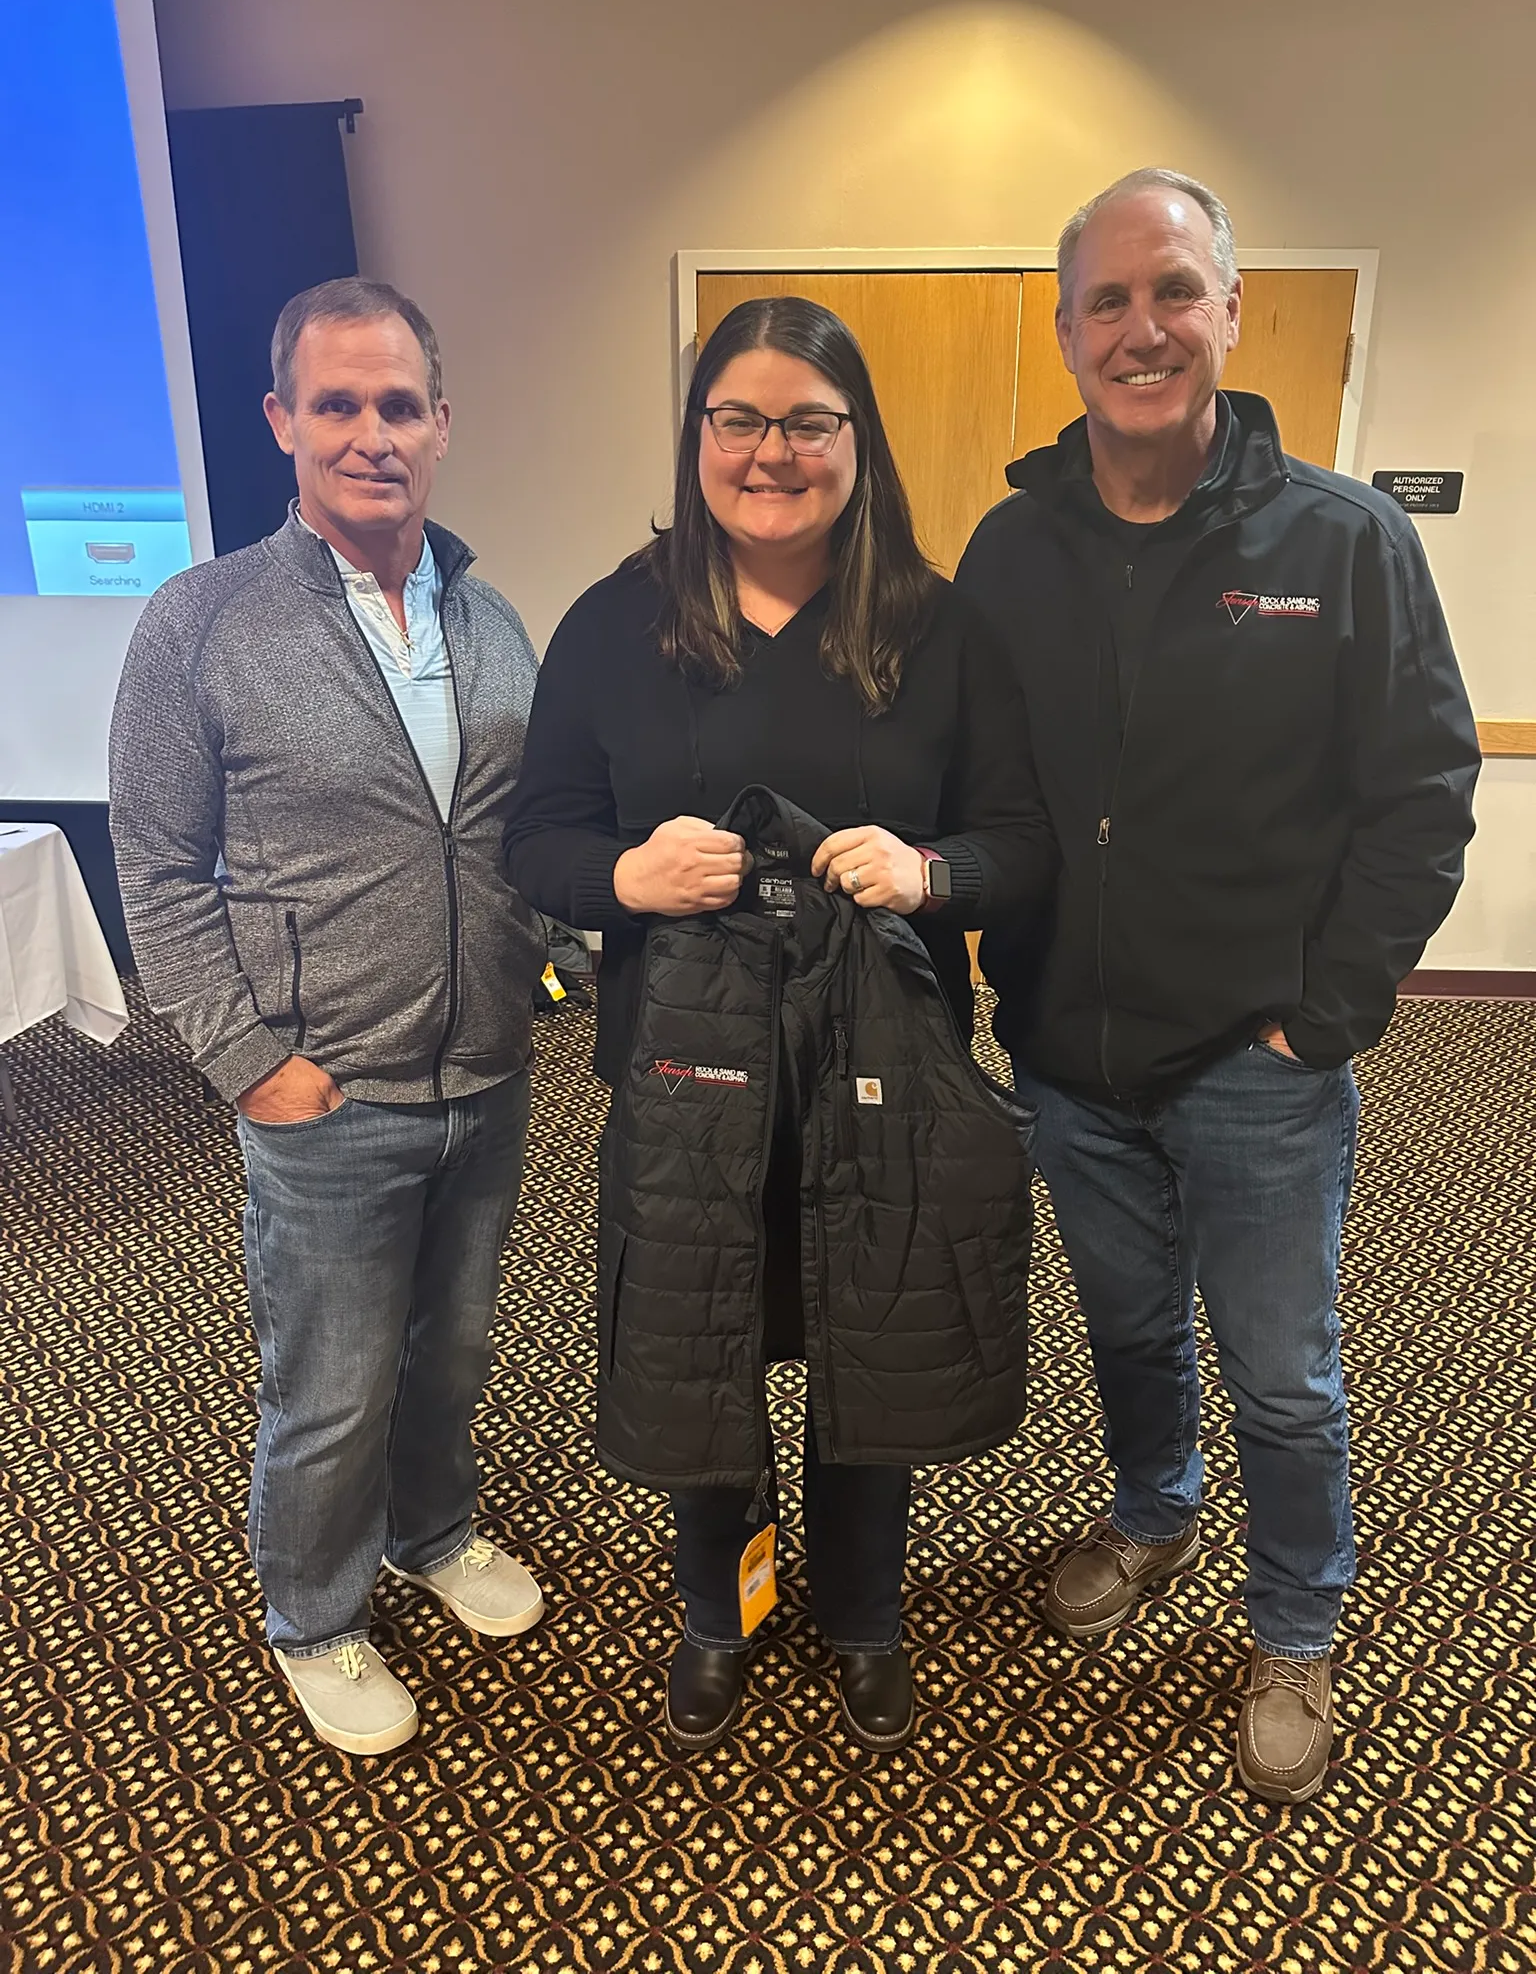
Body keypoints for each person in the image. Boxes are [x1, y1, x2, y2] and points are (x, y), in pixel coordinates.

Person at [956, 169, 1480, 1803]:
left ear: (1231, 314)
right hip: (1069, 1049)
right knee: (1128, 1329)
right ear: (1065, 334)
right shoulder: (1013, 547)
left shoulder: (1344, 539)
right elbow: (981, 782)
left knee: (1283, 1370)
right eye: (1107, 301)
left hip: (1258, 1062)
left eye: (1174, 290)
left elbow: (1422, 796)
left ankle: (1298, 1624)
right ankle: (1154, 1513)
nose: (1143, 328)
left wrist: (1325, 1016)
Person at [504, 296, 1055, 1753]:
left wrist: (930, 875)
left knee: (876, 1335)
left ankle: (865, 1614)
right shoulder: (614, 626)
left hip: (885, 1072)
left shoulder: (940, 628)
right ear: (697, 436)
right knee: (706, 1347)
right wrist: (624, 880)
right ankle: (721, 1613)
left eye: (809, 422)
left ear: (858, 441)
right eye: (739, 419)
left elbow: (1022, 845)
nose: (771, 452)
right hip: (687, 1078)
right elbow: (537, 841)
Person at [110, 277, 549, 1756]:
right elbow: (158, 869)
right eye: (339, 403)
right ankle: (313, 1613)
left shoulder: (490, 616)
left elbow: (521, 834)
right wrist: (249, 1063)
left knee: (454, 1351)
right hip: (325, 1090)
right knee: (332, 1385)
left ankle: (432, 1535)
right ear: (281, 421)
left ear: (443, 424)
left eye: (400, 404)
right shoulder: (200, 622)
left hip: (486, 1072)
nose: (374, 433)